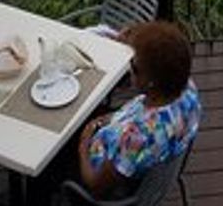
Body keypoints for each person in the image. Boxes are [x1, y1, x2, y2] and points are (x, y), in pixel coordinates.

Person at [77, 20, 201, 200]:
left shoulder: (136, 137)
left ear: (151, 81)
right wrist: (112, 118)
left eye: (134, 67)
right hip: (143, 153)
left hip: (109, 180)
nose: (129, 69)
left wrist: (83, 144)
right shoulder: (188, 92)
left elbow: (95, 185)